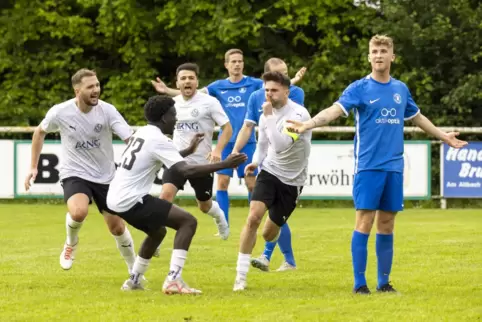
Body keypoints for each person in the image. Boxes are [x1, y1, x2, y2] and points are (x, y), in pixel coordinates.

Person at [286, 34, 468, 294]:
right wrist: (308, 123)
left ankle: (384, 282)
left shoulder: (400, 89)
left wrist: (443, 136)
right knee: (364, 223)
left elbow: (417, 118)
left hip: (393, 167)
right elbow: (334, 110)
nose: (379, 55)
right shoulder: (359, 88)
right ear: (369, 56)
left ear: (392, 56)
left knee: (387, 224)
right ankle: (360, 284)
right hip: (368, 167)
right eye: (375, 50)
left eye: (384, 50)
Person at [151, 49, 306, 231]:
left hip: (247, 142)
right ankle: (224, 224)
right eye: (233, 61)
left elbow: (275, 86)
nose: (237, 64)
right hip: (224, 143)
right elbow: (193, 92)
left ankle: (252, 222)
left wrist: (293, 81)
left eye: (240, 61)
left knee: (251, 183)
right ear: (226, 65)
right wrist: (167, 91)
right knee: (222, 182)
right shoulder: (218, 86)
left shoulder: (254, 83)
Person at [106, 95, 247, 294]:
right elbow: (186, 171)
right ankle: (174, 280)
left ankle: (134, 279)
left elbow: (164, 157)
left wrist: (189, 149)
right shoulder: (159, 139)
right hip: (131, 199)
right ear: (164, 118)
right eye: (173, 115)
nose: (176, 120)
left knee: (158, 231)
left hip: (116, 198)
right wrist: (225, 164)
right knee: (188, 222)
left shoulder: (145, 132)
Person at [24, 68, 137, 275]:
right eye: (90, 87)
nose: (96, 90)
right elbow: (39, 132)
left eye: (97, 85)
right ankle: (71, 243)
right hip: (74, 172)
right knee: (78, 211)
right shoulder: (60, 111)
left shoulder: (108, 111)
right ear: (77, 91)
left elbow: (130, 139)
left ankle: (134, 271)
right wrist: (33, 166)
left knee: (117, 228)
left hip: (106, 175)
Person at [233, 71, 312, 292]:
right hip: (270, 172)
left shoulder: (299, 114)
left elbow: (281, 145)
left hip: (293, 181)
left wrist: (269, 117)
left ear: (287, 91)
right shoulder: (265, 113)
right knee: (253, 217)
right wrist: (256, 162)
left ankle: (273, 252)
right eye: (266, 90)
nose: (269, 95)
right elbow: (264, 145)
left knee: (268, 233)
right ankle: (240, 276)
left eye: (274, 90)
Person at [159, 63, 232, 240]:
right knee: (164, 198)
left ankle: (220, 218)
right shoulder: (171, 104)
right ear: (177, 83)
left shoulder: (209, 102)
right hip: (177, 160)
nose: (187, 81)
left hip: (201, 163)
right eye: (183, 78)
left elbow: (227, 127)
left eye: (191, 78)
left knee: (204, 205)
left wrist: (218, 150)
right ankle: (156, 238)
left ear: (197, 81)